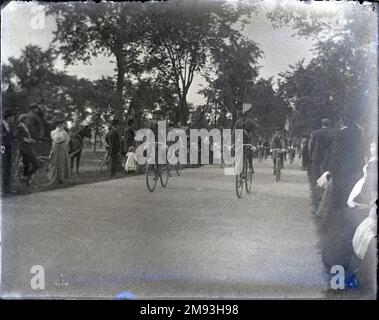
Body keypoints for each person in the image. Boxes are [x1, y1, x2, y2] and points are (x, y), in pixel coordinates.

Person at [16, 115, 41, 185]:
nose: (29, 121)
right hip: (25, 148)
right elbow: (18, 136)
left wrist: (31, 140)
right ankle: (26, 177)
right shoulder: (20, 127)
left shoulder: (24, 127)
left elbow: (25, 137)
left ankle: (26, 179)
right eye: (27, 119)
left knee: (28, 164)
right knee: (37, 164)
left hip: (27, 147)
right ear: (24, 120)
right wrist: (27, 140)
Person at [309, 118, 334, 186]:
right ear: (329, 124)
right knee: (326, 170)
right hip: (327, 155)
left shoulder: (316, 132)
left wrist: (310, 154)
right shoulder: (332, 133)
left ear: (322, 124)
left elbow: (312, 144)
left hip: (316, 155)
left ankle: (316, 184)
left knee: (316, 171)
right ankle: (325, 185)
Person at [50, 113, 71, 184]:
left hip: (62, 148)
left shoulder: (64, 132)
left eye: (63, 124)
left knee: (62, 162)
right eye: (62, 124)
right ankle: (54, 177)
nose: (63, 126)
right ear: (58, 125)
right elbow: (55, 139)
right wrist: (61, 140)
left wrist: (64, 143)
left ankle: (61, 178)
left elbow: (68, 139)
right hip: (56, 148)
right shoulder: (53, 132)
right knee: (55, 162)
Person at [2, 108, 16, 195]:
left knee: (8, 168)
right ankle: (4, 189)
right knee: (4, 167)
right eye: (12, 116)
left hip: (9, 148)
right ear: (8, 117)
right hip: (4, 149)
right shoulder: (2, 125)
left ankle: (7, 188)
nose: (13, 118)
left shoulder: (9, 126)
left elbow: (11, 137)